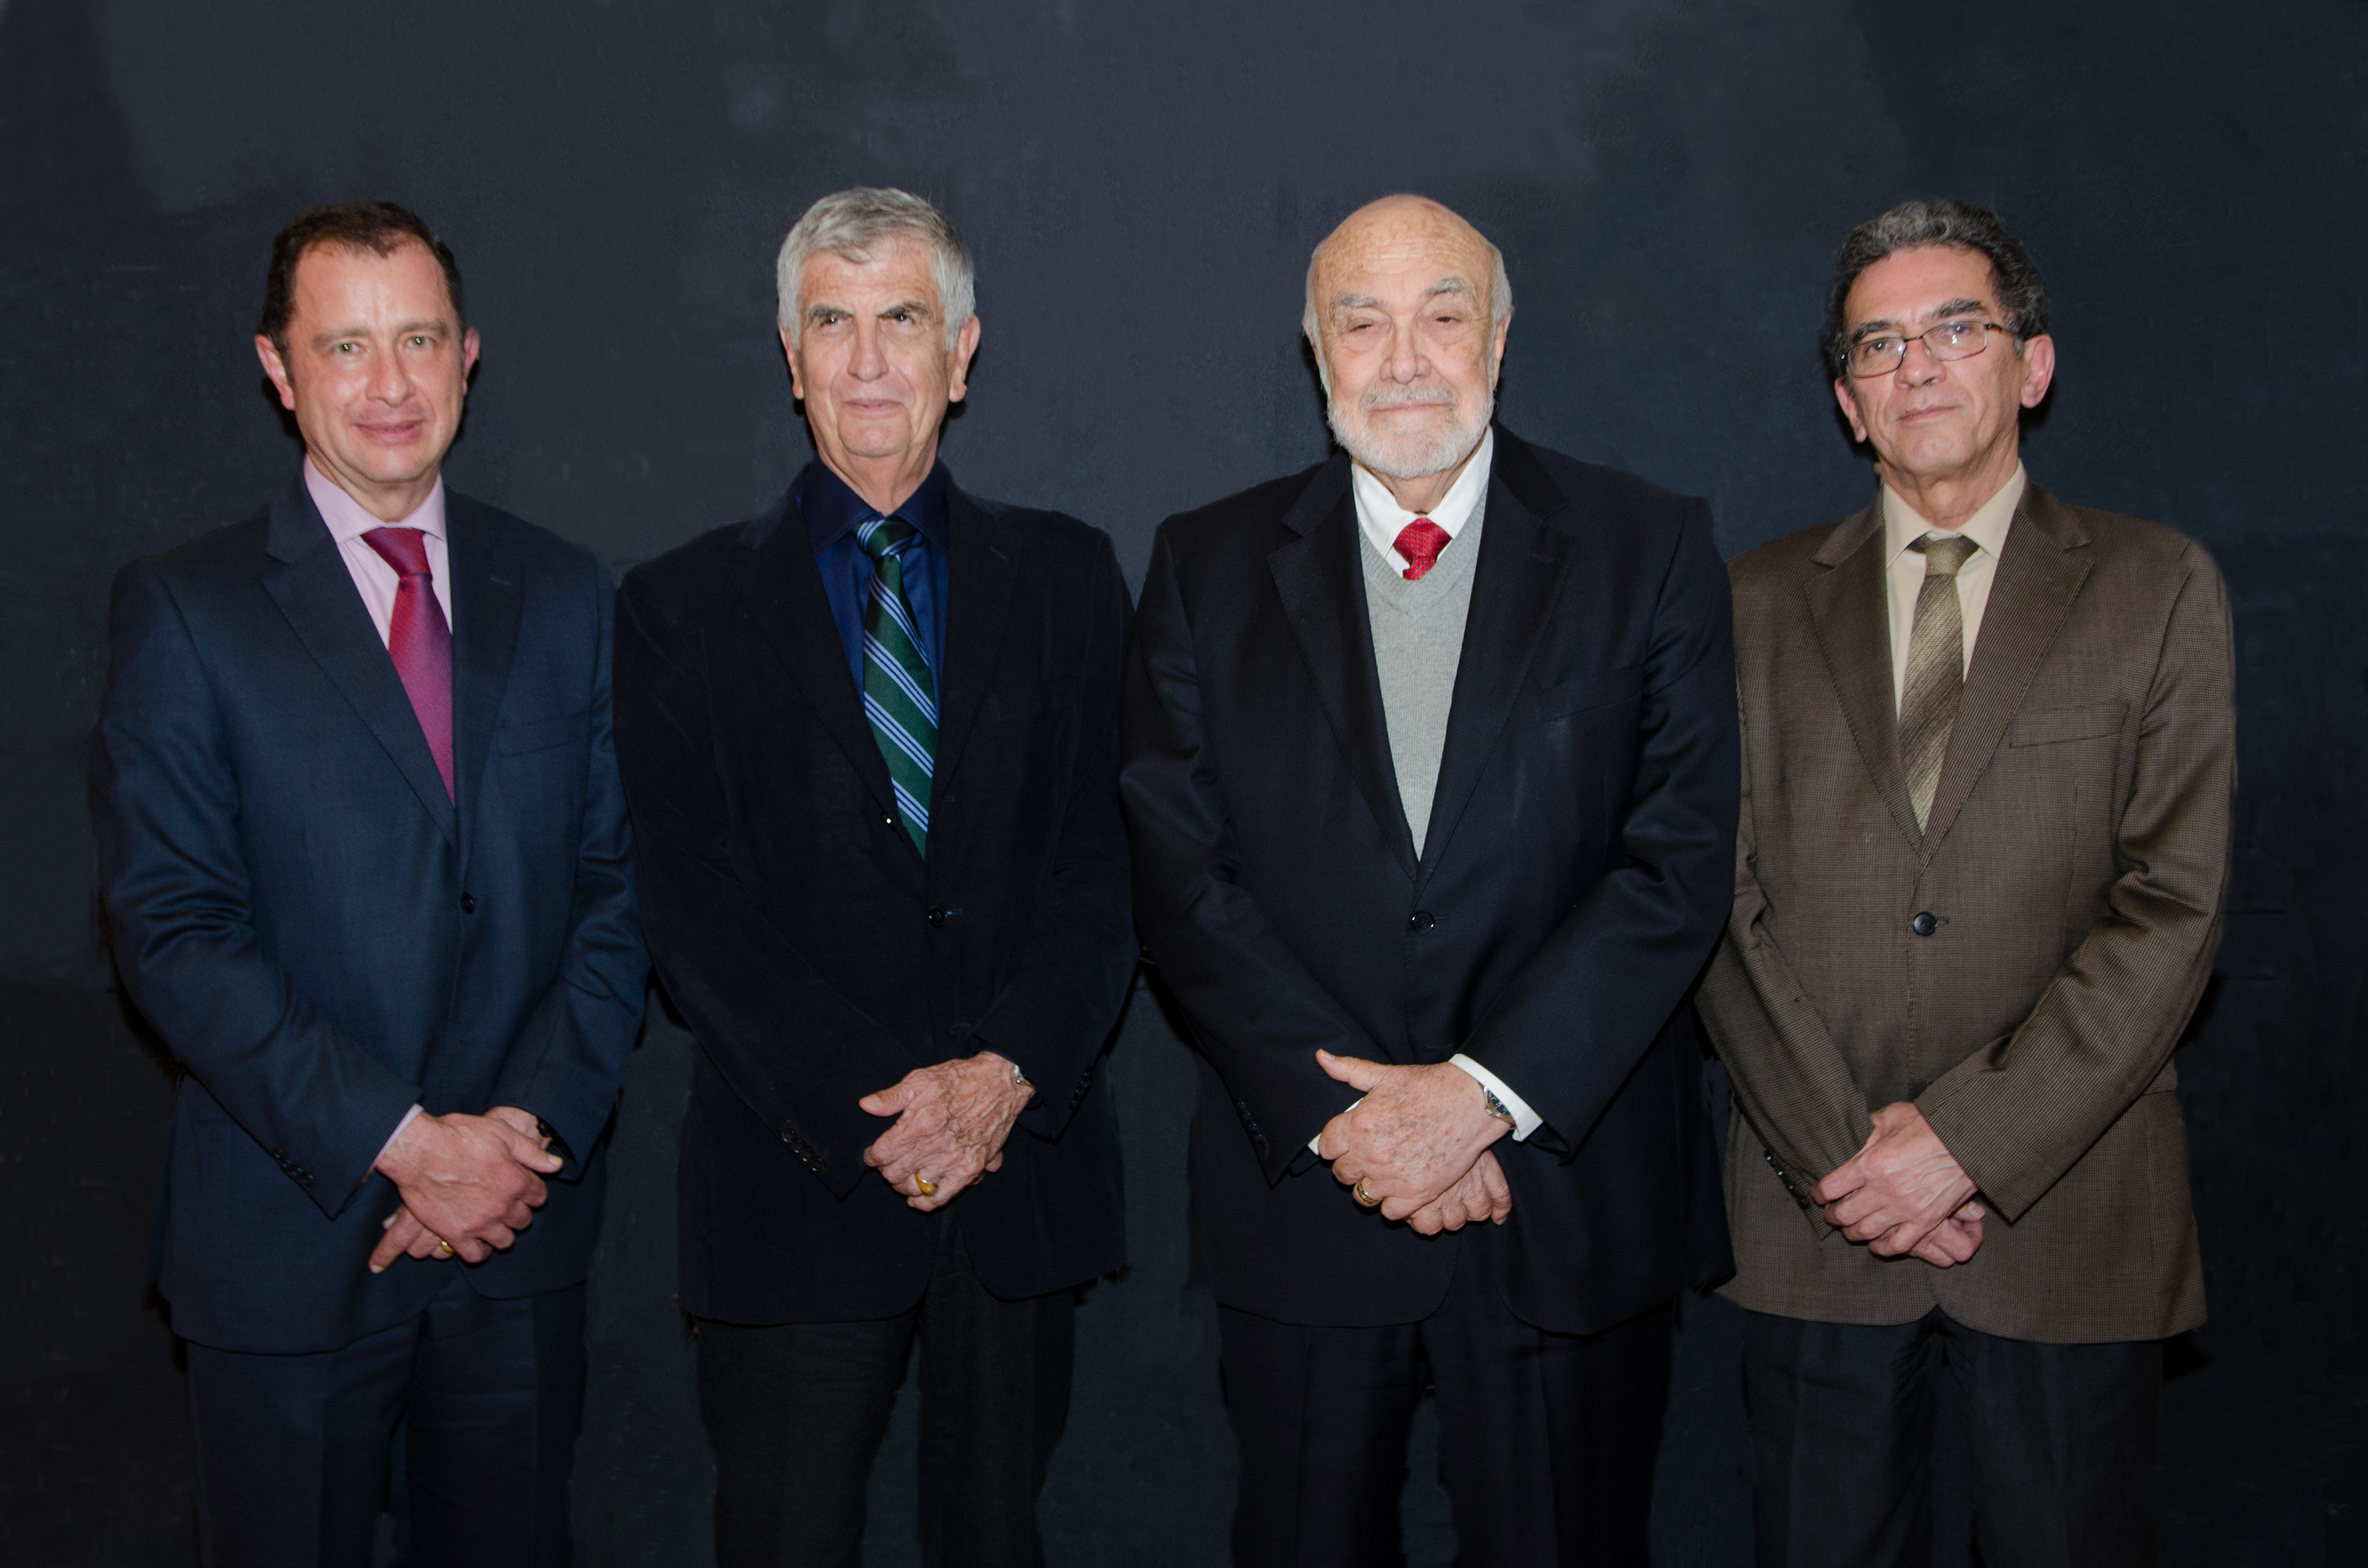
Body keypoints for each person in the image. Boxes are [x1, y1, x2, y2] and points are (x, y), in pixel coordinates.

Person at [1120, 193, 1738, 1567]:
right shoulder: (1204, 566)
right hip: (1310, 1207)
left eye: (1442, 315)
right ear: (1316, 351)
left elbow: (1679, 858)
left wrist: (1479, 1097)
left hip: (1562, 1202)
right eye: (1363, 322)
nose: (1404, 358)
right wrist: (1358, 1121)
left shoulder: (1648, 548)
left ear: (1500, 339)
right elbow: (1180, 873)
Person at [90, 201, 648, 1567]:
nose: (389, 383)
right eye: (346, 346)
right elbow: (174, 930)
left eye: (418, 340)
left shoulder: (568, 593)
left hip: (516, 1238)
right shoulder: (188, 608)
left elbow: (618, 893)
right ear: (278, 371)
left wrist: (514, 1141)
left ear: (469, 355)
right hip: (289, 1246)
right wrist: (407, 1143)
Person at [1696, 198, 2234, 1567]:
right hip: (1819, 1224)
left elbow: (2173, 906)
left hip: (2068, 1221)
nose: (1918, 365)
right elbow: (1711, 900)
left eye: (1956, 329)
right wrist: (1847, 1159)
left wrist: (1964, 1142)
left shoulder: (2158, 587)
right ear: (1848, 402)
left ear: (2032, 365)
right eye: (1879, 345)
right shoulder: (1747, 604)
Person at [613, 187, 1135, 1568]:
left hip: (1018, 1181)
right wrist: (889, 1116)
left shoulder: (1071, 577)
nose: (865, 361)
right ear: (789, 360)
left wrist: (1004, 1076)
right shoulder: (676, 608)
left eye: (900, 319)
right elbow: (691, 913)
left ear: (962, 352)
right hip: (798, 1191)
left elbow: (1109, 862)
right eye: (830, 324)